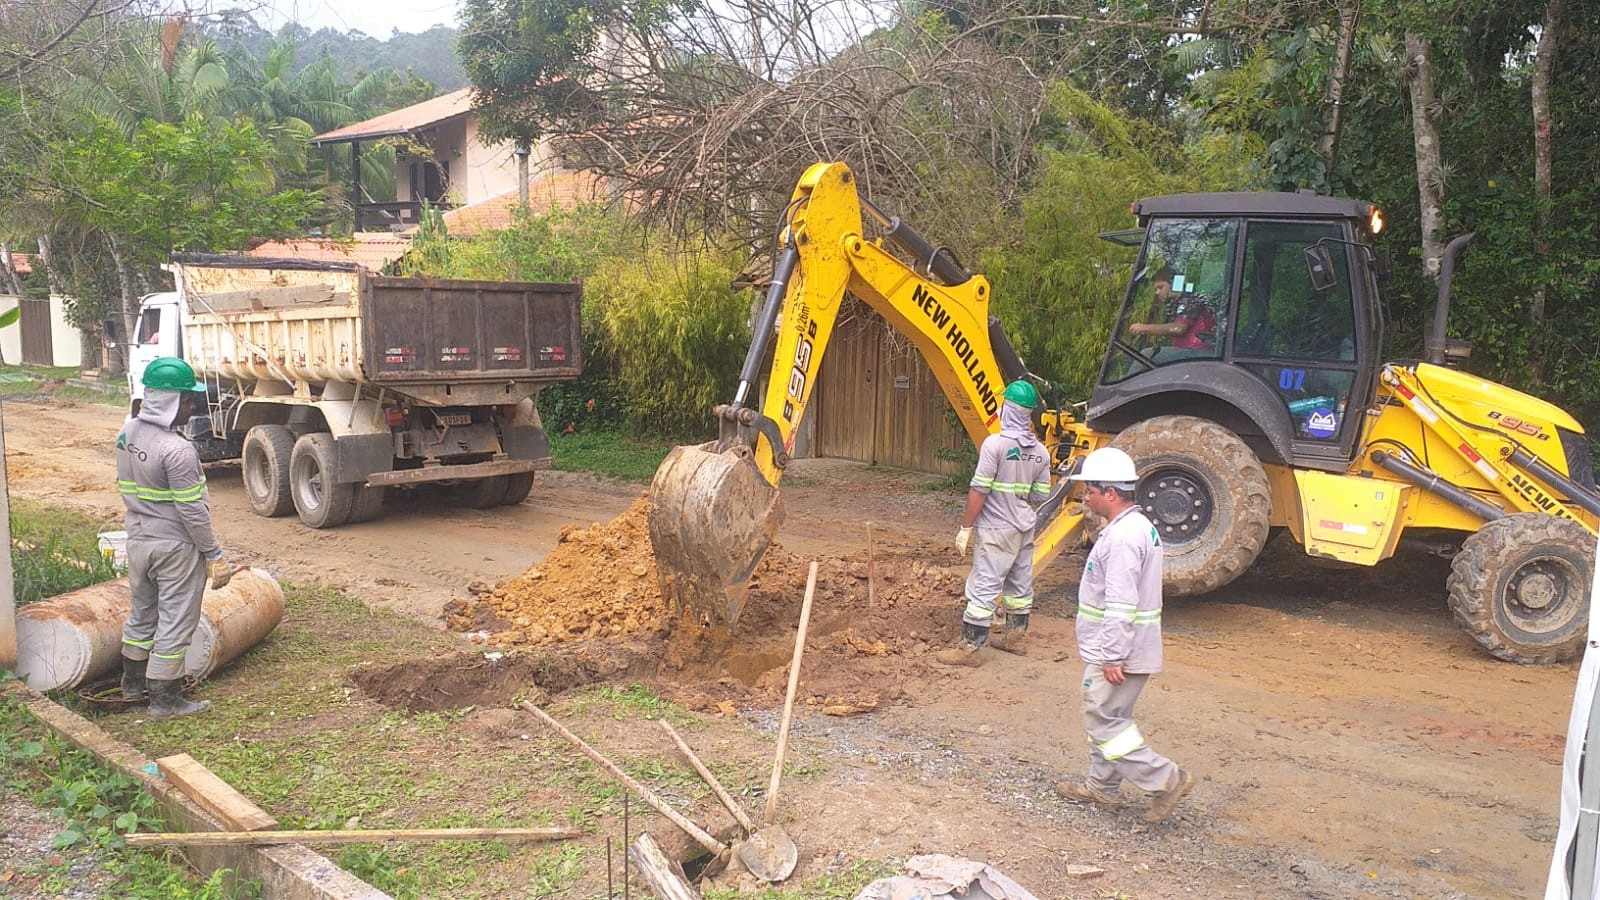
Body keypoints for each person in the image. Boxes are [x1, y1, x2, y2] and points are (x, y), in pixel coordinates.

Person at [1056, 446, 1194, 824]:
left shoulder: (1121, 539)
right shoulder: (1138, 528)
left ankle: (1166, 780)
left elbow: (1120, 602)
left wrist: (1112, 655)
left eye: (1090, 491)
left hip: (1119, 650)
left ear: (1110, 493)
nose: (1086, 497)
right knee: (1111, 716)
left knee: (1101, 718)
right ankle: (1103, 788)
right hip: (1128, 646)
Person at [117, 357, 233, 720]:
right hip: (174, 547)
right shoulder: (178, 450)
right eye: (187, 399)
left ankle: (133, 685)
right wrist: (213, 552)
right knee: (176, 621)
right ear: (167, 401)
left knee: (142, 615)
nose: (193, 406)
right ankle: (166, 700)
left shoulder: (127, 433)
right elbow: (192, 512)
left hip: (137, 540)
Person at [934, 380, 1053, 668]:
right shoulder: (1041, 451)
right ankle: (1015, 638)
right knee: (1019, 584)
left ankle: (970, 647)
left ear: (1007, 409)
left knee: (984, 585)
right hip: (1024, 527)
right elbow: (1040, 495)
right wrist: (1016, 491)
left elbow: (979, 489)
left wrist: (966, 527)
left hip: (997, 528)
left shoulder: (995, 444)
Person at [1128, 268, 1216, 354]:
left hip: (1198, 354)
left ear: (1174, 284)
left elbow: (1178, 329)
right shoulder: (1177, 304)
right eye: (1156, 289)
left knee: (1146, 354)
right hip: (1188, 354)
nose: (1157, 292)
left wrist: (1144, 328)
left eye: (1160, 287)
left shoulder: (1190, 300)